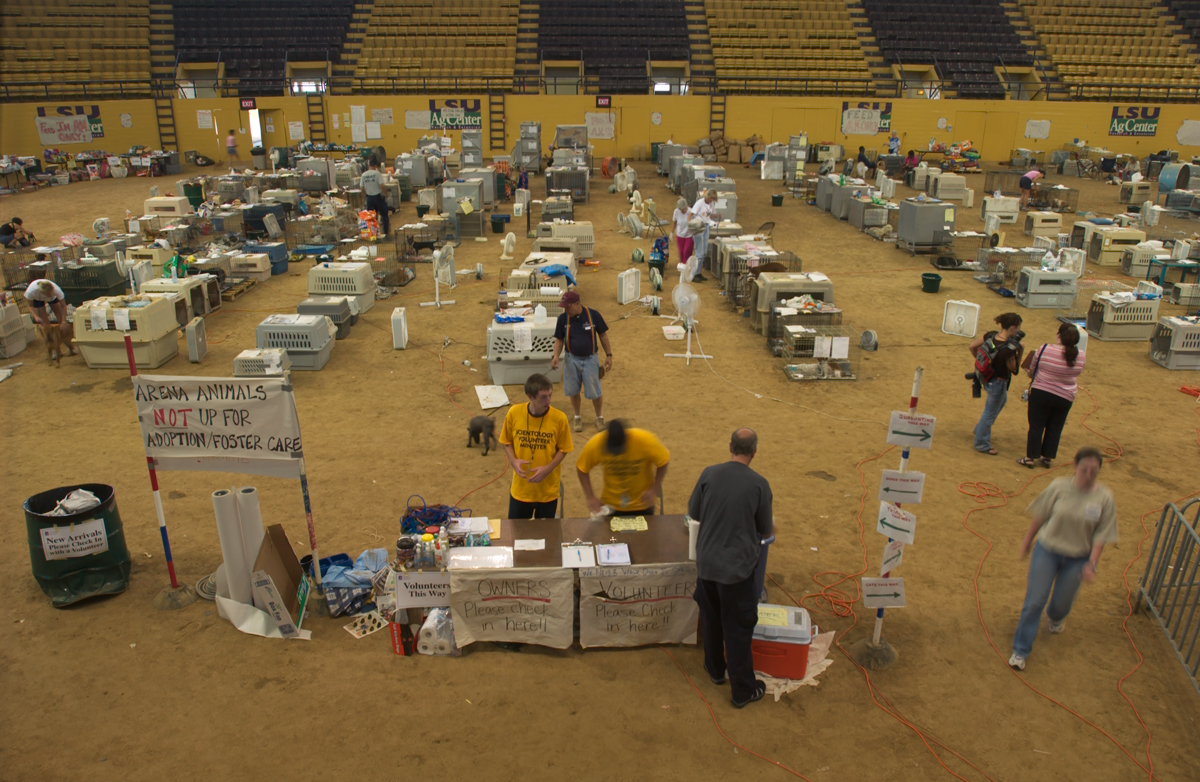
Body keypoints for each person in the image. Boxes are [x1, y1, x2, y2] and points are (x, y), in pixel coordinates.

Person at [1009, 447, 1117, 671]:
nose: (1088, 475)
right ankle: (1020, 649)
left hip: (1078, 557)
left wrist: (1092, 563)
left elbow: (1101, 535)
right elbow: (1041, 515)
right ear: (1074, 466)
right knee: (1035, 601)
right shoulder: (1058, 486)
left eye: (1094, 471)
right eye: (1084, 469)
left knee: (1060, 604)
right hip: (1047, 549)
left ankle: (1056, 617)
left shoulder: (1104, 498)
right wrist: (1027, 541)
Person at [689, 428, 774, 708]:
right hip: (737, 571)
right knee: (737, 629)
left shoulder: (709, 474)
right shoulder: (759, 485)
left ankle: (715, 670)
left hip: (707, 564)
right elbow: (764, 530)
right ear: (754, 452)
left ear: (730, 447)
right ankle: (742, 690)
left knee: (712, 618)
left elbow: (695, 512)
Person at [499, 373, 573, 519]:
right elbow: (506, 441)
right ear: (530, 397)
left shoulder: (559, 418)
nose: (548, 401)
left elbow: (564, 449)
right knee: (517, 533)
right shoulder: (514, 413)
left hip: (547, 492)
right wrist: (514, 461)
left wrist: (547, 469)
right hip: (521, 491)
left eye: (550, 395)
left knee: (545, 536)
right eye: (543, 397)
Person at [1019, 323, 1085, 469]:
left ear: (1059, 335)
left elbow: (1032, 370)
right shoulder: (1080, 355)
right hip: (1065, 396)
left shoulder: (1045, 349)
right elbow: (1077, 372)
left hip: (1041, 392)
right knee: (1055, 427)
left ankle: (1030, 457)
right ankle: (1047, 457)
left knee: (1036, 426)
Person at [576, 419, 669, 517]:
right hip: (611, 505)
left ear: (628, 437)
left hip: (642, 504)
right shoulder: (596, 443)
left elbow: (663, 461)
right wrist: (590, 497)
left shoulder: (645, 440)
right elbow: (582, 469)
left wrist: (654, 489)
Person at [551, 291, 612, 432]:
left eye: (568, 307)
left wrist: (609, 355)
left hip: (591, 360)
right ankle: (577, 417)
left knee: (595, 391)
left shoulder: (593, 316)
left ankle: (599, 417)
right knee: (573, 390)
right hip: (571, 360)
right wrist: (555, 356)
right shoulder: (563, 319)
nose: (566, 310)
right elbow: (559, 340)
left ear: (577, 303)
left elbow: (603, 335)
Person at [970, 312, 1024, 456]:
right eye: (1018, 327)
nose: (1019, 331)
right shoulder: (1008, 350)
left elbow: (972, 346)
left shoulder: (991, 336)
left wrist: (984, 363)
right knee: (990, 412)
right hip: (999, 382)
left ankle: (980, 428)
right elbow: (1014, 369)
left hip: (987, 377)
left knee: (1001, 401)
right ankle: (981, 443)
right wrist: (1020, 351)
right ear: (1013, 327)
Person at [23, 279, 75, 355]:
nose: (50, 294)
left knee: (63, 325)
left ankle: (71, 347)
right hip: (38, 300)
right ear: (42, 292)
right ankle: (56, 349)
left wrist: (63, 321)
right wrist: (35, 316)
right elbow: (29, 305)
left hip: (53, 300)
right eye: (48, 294)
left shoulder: (57, 290)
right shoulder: (31, 291)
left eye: (51, 292)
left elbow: (63, 306)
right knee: (45, 326)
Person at [688, 189, 718, 281]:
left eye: (713, 198)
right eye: (711, 198)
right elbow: (691, 214)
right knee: (699, 253)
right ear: (707, 196)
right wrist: (689, 225)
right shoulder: (700, 203)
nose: (712, 200)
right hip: (698, 226)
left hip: (706, 226)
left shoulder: (711, 204)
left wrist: (716, 215)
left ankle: (698, 272)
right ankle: (693, 274)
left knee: (704, 252)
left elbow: (709, 215)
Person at [359, 159, 388, 238]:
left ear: (369, 166)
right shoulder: (377, 173)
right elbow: (381, 185)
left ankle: (373, 234)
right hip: (378, 198)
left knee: (371, 218)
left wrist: (365, 194)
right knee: (384, 215)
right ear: (375, 166)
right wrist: (386, 193)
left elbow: (361, 187)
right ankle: (386, 233)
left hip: (370, 198)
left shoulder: (364, 175)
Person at [672, 196, 694, 273]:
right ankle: (683, 267)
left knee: (687, 251)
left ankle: (686, 267)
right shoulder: (676, 211)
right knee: (681, 252)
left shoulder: (691, 212)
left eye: (683, 209)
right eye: (681, 209)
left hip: (689, 235)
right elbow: (674, 221)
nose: (682, 211)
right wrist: (672, 232)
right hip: (680, 234)